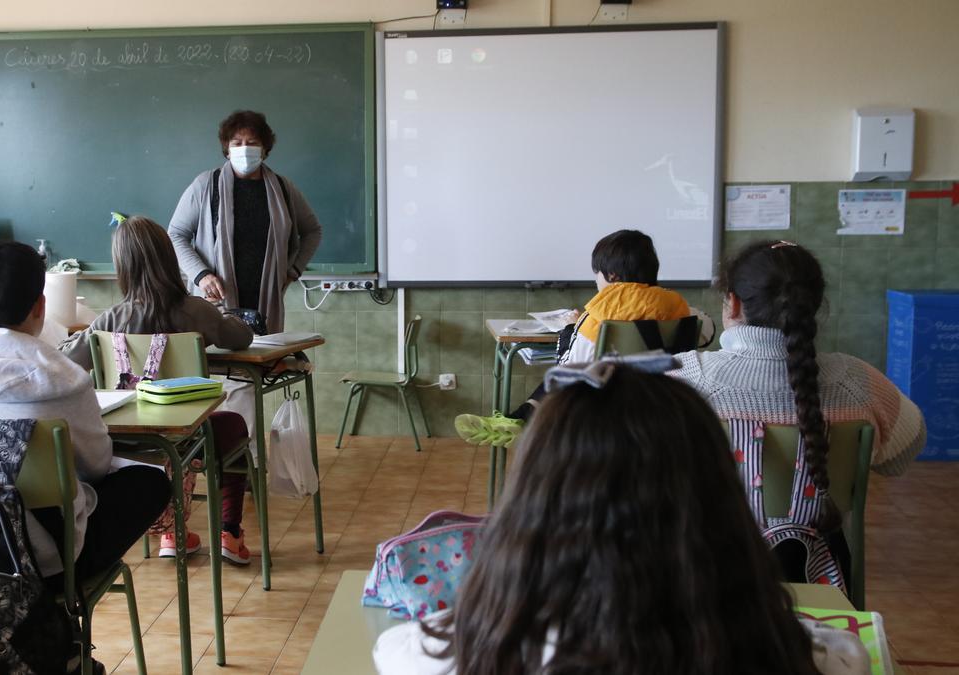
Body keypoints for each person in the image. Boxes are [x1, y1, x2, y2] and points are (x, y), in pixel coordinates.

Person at [374, 357, 869, 675]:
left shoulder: (428, 655)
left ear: (531, 504)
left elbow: (400, 649)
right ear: (719, 503)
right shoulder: (831, 659)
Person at [670, 240, 926, 586]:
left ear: (733, 302)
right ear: (815, 305)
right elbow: (902, 454)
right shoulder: (858, 382)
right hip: (821, 577)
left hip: (705, 578)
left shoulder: (682, 378)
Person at [0, 240, 171, 584]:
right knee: (151, 481)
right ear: (41, 306)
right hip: (43, 556)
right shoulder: (66, 382)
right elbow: (97, 467)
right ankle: (62, 596)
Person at [60, 215, 257, 564]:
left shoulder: (109, 320)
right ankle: (229, 532)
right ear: (169, 259)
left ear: (123, 267)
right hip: (190, 436)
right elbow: (240, 337)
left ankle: (174, 534)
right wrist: (228, 316)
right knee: (235, 426)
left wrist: (80, 336)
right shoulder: (197, 311)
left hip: (128, 441)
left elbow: (68, 362)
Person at [454, 229, 699, 447]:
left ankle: (524, 417)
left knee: (561, 378)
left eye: (597, 275)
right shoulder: (680, 307)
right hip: (662, 405)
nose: (597, 282)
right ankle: (522, 416)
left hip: (598, 409)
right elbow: (701, 333)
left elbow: (569, 366)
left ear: (612, 276)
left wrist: (570, 328)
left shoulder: (597, 315)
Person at [168, 109, 322, 334]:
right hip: (215, 301)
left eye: (252, 142)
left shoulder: (283, 188)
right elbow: (175, 234)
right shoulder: (205, 185)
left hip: (266, 301)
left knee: (262, 365)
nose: (244, 148)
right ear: (227, 150)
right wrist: (201, 275)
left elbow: (313, 231)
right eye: (237, 142)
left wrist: (293, 271)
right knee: (216, 364)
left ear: (264, 149)